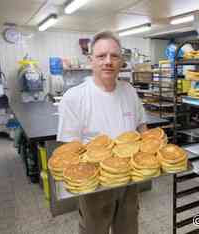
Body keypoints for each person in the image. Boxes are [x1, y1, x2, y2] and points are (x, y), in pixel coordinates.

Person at [57, 31, 147, 234]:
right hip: (94, 185)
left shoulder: (129, 90)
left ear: (121, 60)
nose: (108, 61)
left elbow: (142, 127)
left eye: (114, 56)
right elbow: (69, 151)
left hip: (129, 179)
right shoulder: (75, 97)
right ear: (90, 60)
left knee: (128, 229)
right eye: (101, 56)